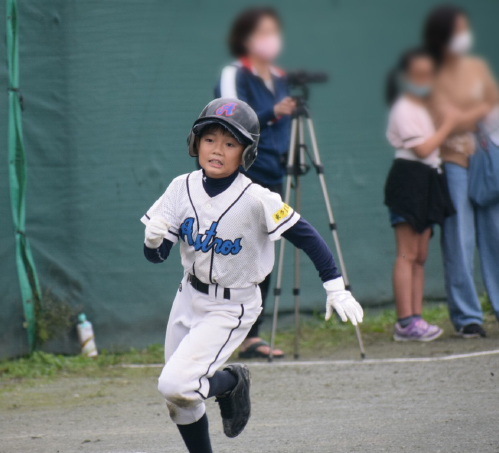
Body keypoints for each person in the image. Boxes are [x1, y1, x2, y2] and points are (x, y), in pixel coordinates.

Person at [141, 98, 363, 453]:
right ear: (195, 142)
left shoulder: (257, 198)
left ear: (245, 153)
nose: (217, 150)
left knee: (177, 384)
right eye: (210, 139)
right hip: (187, 297)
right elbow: (156, 256)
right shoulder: (180, 187)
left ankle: (231, 382)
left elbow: (306, 235)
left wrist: (335, 286)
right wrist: (152, 240)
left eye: (230, 143)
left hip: (233, 306)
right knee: (180, 400)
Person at [423, 5, 499, 337]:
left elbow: (495, 107)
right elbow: (444, 117)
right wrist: (474, 110)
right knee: (459, 241)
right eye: (456, 30)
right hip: (453, 165)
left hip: (488, 166)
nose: (462, 37)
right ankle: (468, 317)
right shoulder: (429, 71)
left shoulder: (477, 67)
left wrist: (469, 112)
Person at [214, 6, 295, 358]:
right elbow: (229, 116)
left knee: (264, 252)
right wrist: (271, 113)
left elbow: (287, 126)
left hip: (275, 176)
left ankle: (251, 336)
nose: (270, 40)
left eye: (273, 32)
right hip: (242, 175)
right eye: (262, 33)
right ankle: (216, 327)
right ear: (246, 38)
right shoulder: (234, 73)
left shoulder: (280, 76)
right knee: (230, 248)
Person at [384, 48, 458, 342]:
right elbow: (423, 149)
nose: (425, 79)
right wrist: (449, 123)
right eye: (418, 74)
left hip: (430, 180)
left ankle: (416, 318)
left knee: (421, 255)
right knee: (406, 253)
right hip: (407, 179)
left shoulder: (431, 107)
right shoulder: (403, 107)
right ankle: (405, 323)